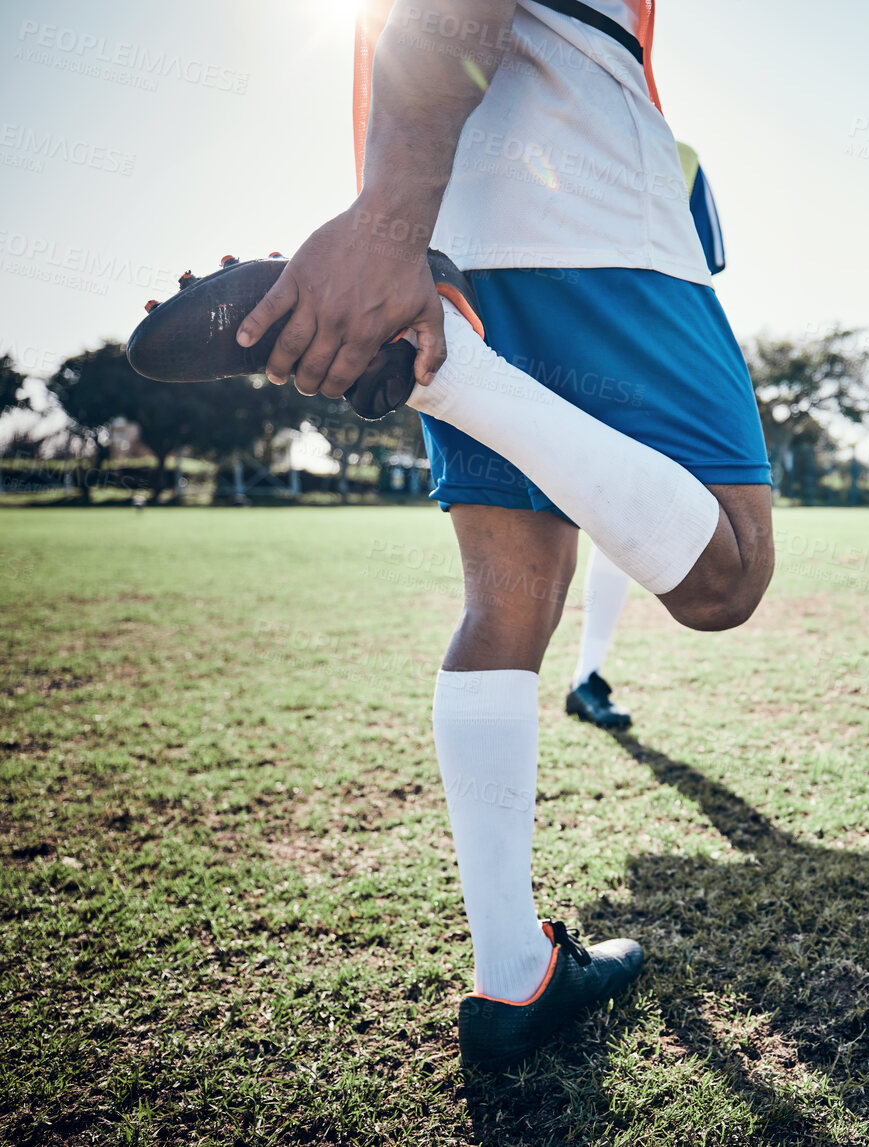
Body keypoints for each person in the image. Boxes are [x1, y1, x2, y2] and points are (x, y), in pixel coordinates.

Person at [145, 0, 776, 1068]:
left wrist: (399, 221)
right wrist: (387, 227)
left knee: (505, 604)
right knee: (728, 573)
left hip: (465, 232)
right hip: (595, 202)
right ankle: (451, 373)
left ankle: (510, 973)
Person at [565, 140, 729, 730]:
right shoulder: (537, 131)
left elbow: (697, 278)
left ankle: (585, 676)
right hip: (547, 350)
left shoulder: (679, 157)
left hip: (634, 369)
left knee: (615, 522)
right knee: (539, 535)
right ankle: (521, 685)